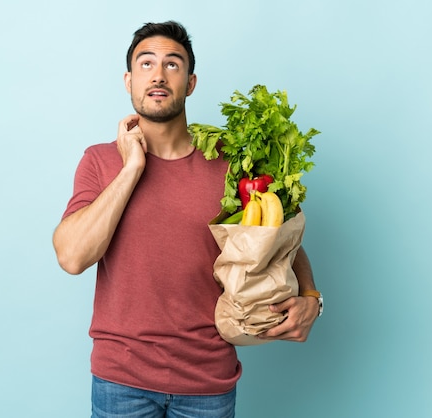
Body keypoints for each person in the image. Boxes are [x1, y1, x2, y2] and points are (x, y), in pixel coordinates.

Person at [52, 20, 321, 418]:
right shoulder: (100, 161)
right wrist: (131, 169)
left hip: (207, 382)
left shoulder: (232, 162)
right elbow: (72, 257)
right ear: (128, 80)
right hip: (120, 381)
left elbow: (280, 237)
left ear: (191, 83)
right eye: (146, 64)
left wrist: (312, 298)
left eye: (172, 64)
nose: (158, 74)